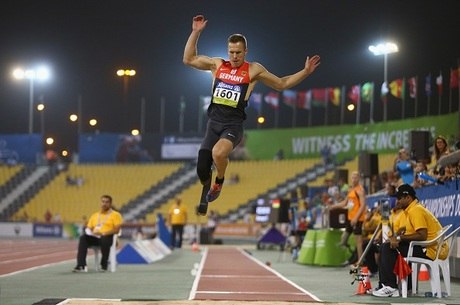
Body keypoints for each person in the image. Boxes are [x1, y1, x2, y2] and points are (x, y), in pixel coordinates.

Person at [183, 15, 321, 215]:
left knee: (219, 153)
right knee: (202, 169)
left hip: (233, 125)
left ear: (245, 51)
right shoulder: (218, 65)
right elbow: (188, 59)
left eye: (238, 52)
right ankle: (208, 184)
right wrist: (196, 32)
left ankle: (219, 181)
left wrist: (305, 72)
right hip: (213, 123)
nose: (234, 56)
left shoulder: (254, 69)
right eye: (231, 52)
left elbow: (282, 84)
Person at [372, 184, 447, 297]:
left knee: (387, 248)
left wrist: (399, 238)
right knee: (385, 246)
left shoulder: (416, 210)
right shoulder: (409, 211)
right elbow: (401, 230)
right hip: (423, 247)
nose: (398, 201)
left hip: (430, 249)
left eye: (400, 198)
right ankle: (385, 285)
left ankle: (391, 287)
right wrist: (395, 237)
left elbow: (422, 235)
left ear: (408, 198)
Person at [72, 195, 123, 272]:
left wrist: (104, 233)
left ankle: (104, 264)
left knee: (104, 238)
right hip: (96, 237)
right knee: (83, 238)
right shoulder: (95, 215)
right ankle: (81, 265)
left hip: (109, 237)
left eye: (107, 202)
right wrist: (91, 231)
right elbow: (90, 227)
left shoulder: (116, 215)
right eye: (103, 202)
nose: (104, 204)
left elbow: (117, 230)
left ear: (110, 203)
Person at [329, 171, 367, 265]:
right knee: (343, 239)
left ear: (359, 178)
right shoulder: (351, 190)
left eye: (355, 177)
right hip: (350, 218)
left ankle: (360, 260)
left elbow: (363, 205)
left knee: (358, 241)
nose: (354, 179)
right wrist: (334, 206)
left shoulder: (360, 190)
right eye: (352, 177)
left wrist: (356, 218)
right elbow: (345, 203)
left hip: (357, 219)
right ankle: (352, 253)